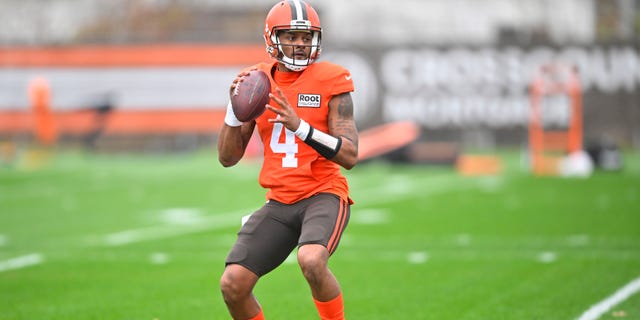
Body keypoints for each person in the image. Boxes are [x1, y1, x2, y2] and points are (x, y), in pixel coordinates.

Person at [217, 1, 358, 319]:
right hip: (280, 201)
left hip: (323, 193)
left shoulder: (332, 79)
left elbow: (350, 155)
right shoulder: (257, 81)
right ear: (271, 38)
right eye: (291, 36)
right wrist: (232, 110)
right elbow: (227, 158)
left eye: (306, 37)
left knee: (311, 259)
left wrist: (301, 127)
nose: (300, 44)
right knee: (233, 284)